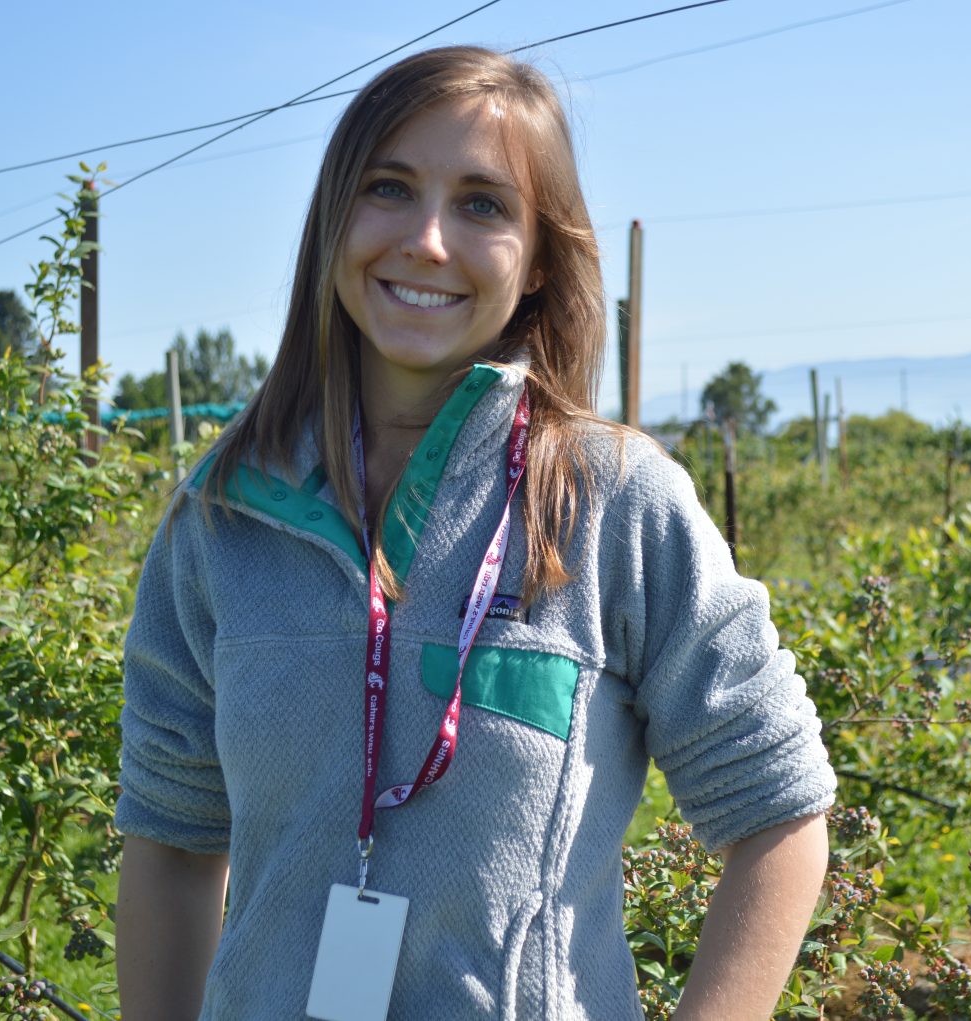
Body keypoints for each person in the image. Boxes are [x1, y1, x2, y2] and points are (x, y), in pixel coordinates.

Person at [114, 45, 835, 1021]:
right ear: (334, 218)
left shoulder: (615, 502)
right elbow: (170, 843)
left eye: (483, 204)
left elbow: (782, 814)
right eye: (390, 187)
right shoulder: (224, 517)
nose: (427, 239)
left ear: (540, 257)